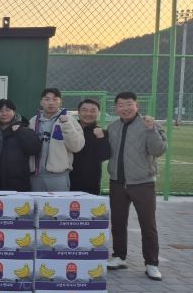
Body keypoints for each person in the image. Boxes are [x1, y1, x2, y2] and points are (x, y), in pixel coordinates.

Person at [106, 92, 167, 281]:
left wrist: (151, 130)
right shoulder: (112, 127)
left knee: (148, 224)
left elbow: (159, 150)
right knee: (118, 221)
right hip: (117, 182)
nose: (125, 108)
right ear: (116, 108)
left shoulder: (149, 124)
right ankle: (119, 256)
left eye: (129, 104)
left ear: (137, 106)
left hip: (143, 183)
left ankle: (151, 263)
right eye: (121, 105)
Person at [29, 87, 85, 191]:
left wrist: (66, 125)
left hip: (59, 177)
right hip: (36, 176)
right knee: (36, 202)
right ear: (41, 102)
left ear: (60, 102)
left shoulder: (69, 120)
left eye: (55, 99)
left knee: (59, 202)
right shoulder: (33, 121)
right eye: (47, 99)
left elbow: (77, 146)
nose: (51, 103)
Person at [0, 98, 41, 192]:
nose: (4, 114)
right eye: (0, 111)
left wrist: (20, 131)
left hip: (19, 181)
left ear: (14, 111)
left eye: (7, 110)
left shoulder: (24, 128)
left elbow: (34, 149)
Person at [70, 98, 110, 195]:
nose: (88, 114)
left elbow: (105, 156)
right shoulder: (69, 130)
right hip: (67, 179)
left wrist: (101, 138)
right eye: (85, 110)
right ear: (78, 112)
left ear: (98, 113)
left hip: (91, 182)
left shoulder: (102, 133)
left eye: (93, 111)